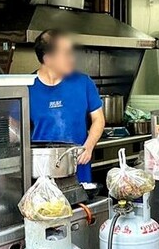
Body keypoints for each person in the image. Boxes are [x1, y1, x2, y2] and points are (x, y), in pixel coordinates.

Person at [28, 30, 105, 183]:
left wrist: (88, 147)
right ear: (48, 59)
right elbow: (14, 128)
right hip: (41, 171)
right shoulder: (27, 87)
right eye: (66, 54)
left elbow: (98, 119)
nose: (72, 58)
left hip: (78, 165)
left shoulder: (83, 82)